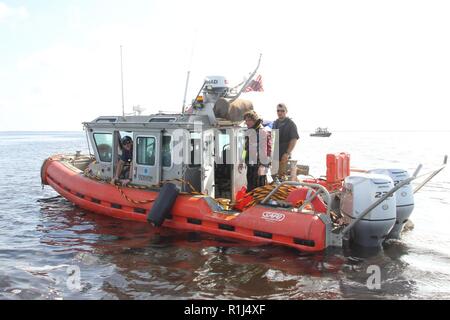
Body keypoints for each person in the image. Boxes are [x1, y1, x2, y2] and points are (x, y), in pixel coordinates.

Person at [239, 110, 272, 192]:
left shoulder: (262, 132)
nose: (246, 123)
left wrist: (263, 166)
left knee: (259, 190)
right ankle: (251, 203)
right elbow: (245, 149)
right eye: (245, 120)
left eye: (249, 120)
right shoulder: (250, 132)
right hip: (251, 166)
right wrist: (241, 160)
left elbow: (267, 150)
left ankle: (257, 204)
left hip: (259, 166)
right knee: (250, 188)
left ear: (255, 120)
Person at [272, 103, 299, 180]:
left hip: (284, 155)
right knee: (274, 177)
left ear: (286, 111)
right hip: (275, 156)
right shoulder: (275, 123)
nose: (280, 112)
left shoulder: (291, 124)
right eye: (278, 111)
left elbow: (294, 139)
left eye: (282, 111)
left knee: (282, 178)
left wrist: (287, 153)